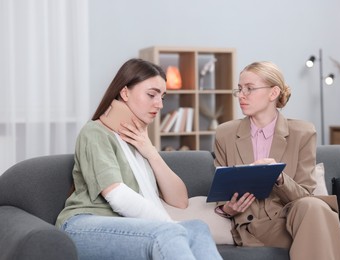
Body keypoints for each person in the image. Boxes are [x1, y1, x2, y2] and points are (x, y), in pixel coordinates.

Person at [56, 58, 222, 260]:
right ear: (125, 93)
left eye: (162, 96)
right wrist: (169, 224)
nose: (160, 104)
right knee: (169, 233)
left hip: (129, 226)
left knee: (197, 227)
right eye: (151, 94)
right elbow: (117, 196)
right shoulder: (95, 132)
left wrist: (150, 152)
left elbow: (180, 201)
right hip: (84, 225)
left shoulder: (139, 141)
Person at [213, 61, 340, 260]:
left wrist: (279, 178)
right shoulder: (225, 134)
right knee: (339, 236)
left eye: (249, 89)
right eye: (240, 89)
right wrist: (227, 209)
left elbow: (305, 195)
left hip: (296, 216)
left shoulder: (302, 132)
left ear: (273, 93)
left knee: (312, 206)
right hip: (255, 226)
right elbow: (221, 191)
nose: (241, 95)